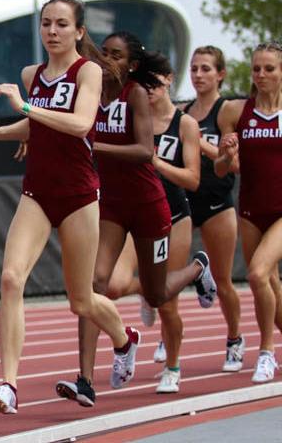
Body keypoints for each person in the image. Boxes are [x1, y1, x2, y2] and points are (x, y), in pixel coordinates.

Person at [0, 0, 136, 415]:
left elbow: (80, 123)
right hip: (37, 193)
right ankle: (8, 384)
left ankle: (124, 340)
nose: (52, 31)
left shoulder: (90, 71)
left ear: (79, 31)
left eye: (62, 24)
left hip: (79, 196)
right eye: (46, 23)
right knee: (11, 279)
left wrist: (26, 106)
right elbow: (39, 125)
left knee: (81, 301)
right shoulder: (33, 74)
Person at [55, 33, 214, 407]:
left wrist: (95, 143)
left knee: (156, 294)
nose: (107, 60)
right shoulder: (91, 91)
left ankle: (196, 267)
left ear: (132, 65)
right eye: (104, 53)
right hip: (111, 206)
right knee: (92, 285)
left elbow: (145, 150)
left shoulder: (135, 94)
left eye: (117, 55)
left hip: (148, 206)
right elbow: (86, 48)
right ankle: (85, 380)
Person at [103, 53, 202, 393]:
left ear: (169, 80)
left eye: (156, 83)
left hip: (173, 218)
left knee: (167, 304)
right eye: (145, 84)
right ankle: (149, 288)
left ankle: (172, 366)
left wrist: (155, 162)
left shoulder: (184, 124)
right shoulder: (131, 116)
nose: (151, 90)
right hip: (136, 215)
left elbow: (192, 179)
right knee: (113, 286)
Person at [215, 41, 282, 384]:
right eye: (257, 69)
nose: (261, 75)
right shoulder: (235, 112)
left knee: (256, 275)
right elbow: (222, 170)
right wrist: (226, 154)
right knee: (268, 282)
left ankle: (267, 353)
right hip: (252, 208)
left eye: (269, 68)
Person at [180, 46, 245, 372]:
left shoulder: (226, 110)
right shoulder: (182, 110)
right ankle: (169, 339)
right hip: (185, 201)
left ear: (220, 74)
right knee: (165, 273)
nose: (198, 75)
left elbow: (233, 166)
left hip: (218, 202)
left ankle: (235, 338)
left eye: (206, 69)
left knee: (223, 279)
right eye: (194, 69)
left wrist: (199, 141)